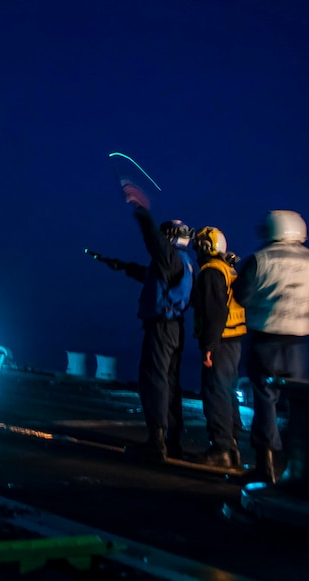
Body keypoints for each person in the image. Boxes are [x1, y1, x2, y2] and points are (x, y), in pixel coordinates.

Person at [232, 210, 309, 484]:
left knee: (264, 401)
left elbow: (240, 295)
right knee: (300, 405)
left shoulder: (259, 259)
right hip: (300, 342)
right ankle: (298, 466)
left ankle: (265, 465)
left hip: (265, 339)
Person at [99, 189, 197, 462]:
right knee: (169, 382)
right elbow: (150, 276)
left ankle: (157, 442)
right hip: (175, 327)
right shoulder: (184, 262)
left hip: (162, 327)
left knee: (153, 381)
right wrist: (122, 266)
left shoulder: (168, 256)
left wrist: (141, 210)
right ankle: (171, 441)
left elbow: (152, 240)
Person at [191, 227, 246, 468]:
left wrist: (208, 346)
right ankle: (231, 445)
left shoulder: (212, 271)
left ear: (206, 246)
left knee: (215, 393)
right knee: (226, 392)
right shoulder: (227, 268)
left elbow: (215, 311)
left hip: (221, 341)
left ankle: (221, 449)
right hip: (233, 340)